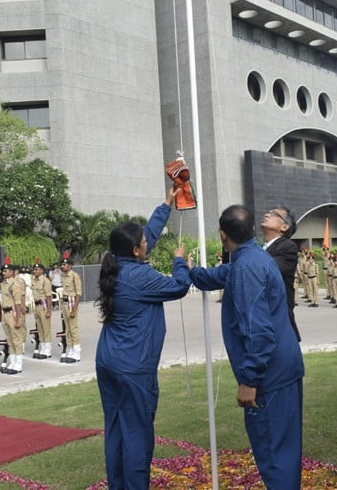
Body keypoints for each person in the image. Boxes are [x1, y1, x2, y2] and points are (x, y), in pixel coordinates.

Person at [189, 204, 305, 488]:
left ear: (222, 234)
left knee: (274, 456)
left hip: (269, 376)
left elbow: (260, 332)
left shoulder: (248, 266)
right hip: (284, 368)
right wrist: (187, 269)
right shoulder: (254, 257)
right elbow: (218, 275)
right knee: (284, 454)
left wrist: (249, 380)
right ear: (252, 230)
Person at [94, 186, 191, 489]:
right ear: (137, 250)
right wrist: (180, 261)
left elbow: (146, 233)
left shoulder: (116, 265)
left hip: (108, 362)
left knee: (116, 430)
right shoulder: (142, 277)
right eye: (145, 242)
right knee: (137, 434)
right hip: (133, 367)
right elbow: (179, 286)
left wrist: (166, 205)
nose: (148, 241)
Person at [260, 206, 301, 341]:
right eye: (268, 212)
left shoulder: (287, 247)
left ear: (284, 227)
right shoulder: (260, 249)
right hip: (261, 321)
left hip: (278, 323)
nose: (267, 214)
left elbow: (265, 269)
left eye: (274, 214)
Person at [0, 258, 26, 375]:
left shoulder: (14, 284)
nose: (3, 273)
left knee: (16, 339)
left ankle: (18, 364)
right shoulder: (4, 284)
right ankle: (13, 361)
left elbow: (18, 303)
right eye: (3, 271)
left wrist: (18, 319)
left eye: (6, 271)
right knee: (10, 340)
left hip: (13, 313)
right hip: (5, 313)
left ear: (11, 272)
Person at [59, 253, 83, 362]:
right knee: (67, 328)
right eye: (62, 264)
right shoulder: (63, 276)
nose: (63, 266)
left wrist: (74, 309)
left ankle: (76, 352)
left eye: (65, 264)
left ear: (70, 266)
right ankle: (70, 349)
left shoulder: (74, 276)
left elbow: (78, 294)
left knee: (73, 328)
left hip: (71, 303)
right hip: (64, 303)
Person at [31, 261, 53, 359]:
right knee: (40, 328)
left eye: (36, 269)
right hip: (37, 306)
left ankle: (47, 349)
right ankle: (43, 347)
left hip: (44, 306)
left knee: (46, 328)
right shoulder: (34, 280)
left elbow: (48, 296)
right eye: (34, 269)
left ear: (42, 271)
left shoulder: (45, 281)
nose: (34, 271)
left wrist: (49, 310)